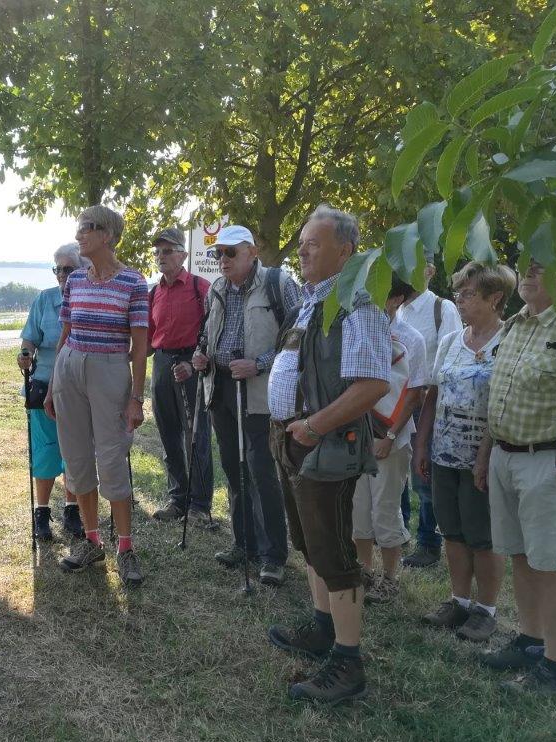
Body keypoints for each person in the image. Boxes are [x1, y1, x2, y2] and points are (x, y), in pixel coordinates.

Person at [265, 205, 391, 704]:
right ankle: (323, 630)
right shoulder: (314, 300)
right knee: (312, 544)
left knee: (335, 555)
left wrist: (314, 427)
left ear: (346, 249)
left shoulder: (357, 303)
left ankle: (348, 662)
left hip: (326, 445)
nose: (302, 249)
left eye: (313, 243)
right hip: (296, 440)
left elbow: (374, 384)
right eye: (301, 241)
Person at [475, 259, 556, 694]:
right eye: (525, 266)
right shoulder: (515, 325)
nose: (527, 274)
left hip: (548, 463)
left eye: (540, 266)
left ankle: (555, 666)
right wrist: (485, 455)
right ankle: (529, 640)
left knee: (551, 564)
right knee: (521, 556)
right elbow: (498, 397)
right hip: (505, 457)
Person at [44, 205, 148, 587]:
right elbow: (65, 334)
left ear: (107, 235)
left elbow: (139, 346)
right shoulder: (75, 282)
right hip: (70, 368)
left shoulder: (134, 283)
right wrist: (54, 383)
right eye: (79, 228)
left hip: (110, 370)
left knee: (112, 458)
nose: (79, 235)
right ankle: (91, 541)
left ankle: (125, 548)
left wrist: (136, 397)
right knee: (75, 457)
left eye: (86, 228)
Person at [188, 225, 299, 586]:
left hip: (259, 393)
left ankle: (273, 555)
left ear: (252, 251)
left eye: (230, 253)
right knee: (234, 469)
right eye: (218, 253)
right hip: (220, 386)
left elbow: (299, 339)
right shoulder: (217, 289)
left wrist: (260, 363)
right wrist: (201, 355)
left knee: (261, 471)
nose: (222, 260)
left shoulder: (278, 284)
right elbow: (207, 333)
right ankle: (244, 543)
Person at [413, 262, 515, 642]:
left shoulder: (508, 342)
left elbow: (504, 402)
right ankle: (459, 601)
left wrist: (486, 455)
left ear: (495, 299)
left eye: (468, 293)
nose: (459, 299)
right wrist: (422, 444)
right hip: (444, 453)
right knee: (452, 530)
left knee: (482, 535)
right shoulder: (451, 340)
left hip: (483, 458)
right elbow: (434, 395)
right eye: (458, 291)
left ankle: (486, 610)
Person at [352, 277, 426, 605]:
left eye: (380, 292)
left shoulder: (412, 338)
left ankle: (389, 578)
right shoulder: (359, 329)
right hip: (356, 433)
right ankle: (364, 572)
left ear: (396, 298)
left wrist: (391, 435)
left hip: (390, 438)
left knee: (386, 509)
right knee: (358, 508)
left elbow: (414, 393)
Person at [18, 243, 86, 540]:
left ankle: (72, 510)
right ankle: (42, 512)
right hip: (44, 380)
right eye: (57, 268)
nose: (61, 274)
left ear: (82, 269)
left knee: (76, 451)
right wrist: (25, 352)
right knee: (46, 450)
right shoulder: (44, 300)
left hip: (79, 384)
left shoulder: (88, 300)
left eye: (67, 268)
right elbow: (30, 338)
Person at [148, 227, 214, 524]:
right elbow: (148, 338)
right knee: (168, 434)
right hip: (161, 364)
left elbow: (214, 332)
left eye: (167, 250)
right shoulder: (154, 292)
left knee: (196, 436)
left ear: (183, 255)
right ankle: (178, 498)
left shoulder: (200, 287)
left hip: (193, 364)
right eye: (158, 252)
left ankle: (200, 505)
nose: (161, 257)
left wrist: (194, 361)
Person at [398, 264, 462, 567]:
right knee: (397, 470)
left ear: (429, 269)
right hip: (397, 404)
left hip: (427, 404)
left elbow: (451, 355)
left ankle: (428, 543)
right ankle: (398, 535)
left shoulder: (442, 308)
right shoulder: (395, 309)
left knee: (424, 476)